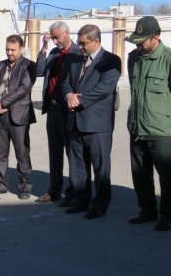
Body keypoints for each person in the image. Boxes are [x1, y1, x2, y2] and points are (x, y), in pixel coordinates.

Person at [61, 24, 121, 219]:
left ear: (96, 41)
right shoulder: (76, 59)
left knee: (100, 167)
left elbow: (105, 88)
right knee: (78, 166)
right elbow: (65, 82)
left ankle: (100, 204)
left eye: (84, 43)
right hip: (75, 122)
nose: (80, 46)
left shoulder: (111, 60)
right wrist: (69, 94)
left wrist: (80, 99)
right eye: (79, 42)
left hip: (97, 125)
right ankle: (81, 200)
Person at [125, 16, 171, 231]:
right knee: (140, 175)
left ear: (156, 38)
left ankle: (168, 216)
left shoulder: (168, 60)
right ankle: (147, 211)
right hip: (137, 127)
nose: (138, 45)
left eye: (142, 41)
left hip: (162, 130)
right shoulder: (134, 58)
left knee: (167, 177)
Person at [35, 21, 81, 205]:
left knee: (72, 153)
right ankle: (54, 190)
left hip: (68, 110)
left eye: (57, 37)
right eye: (52, 37)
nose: (55, 41)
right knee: (54, 153)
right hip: (53, 108)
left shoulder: (78, 53)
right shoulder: (53, 52)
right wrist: (44, 47)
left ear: (67, 33)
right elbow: (39, 71)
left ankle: (73, 193)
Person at [0, 34, 36, 199]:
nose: (9, 53)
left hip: (18, 116)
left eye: (13, 50)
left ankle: (24, 187)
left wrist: (3, 103)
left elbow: (24, 88)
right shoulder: (0, 65)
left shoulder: (29, 66)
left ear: (21, 49)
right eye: (7, 49)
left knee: (22, 153)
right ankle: (0, 185)